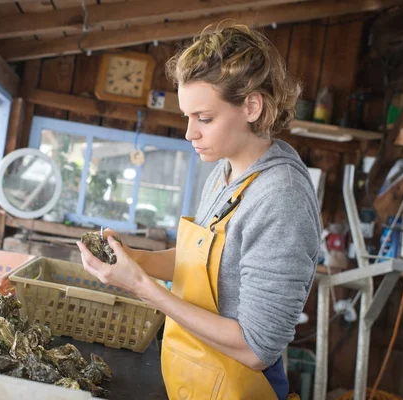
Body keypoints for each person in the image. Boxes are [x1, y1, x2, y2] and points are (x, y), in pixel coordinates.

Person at [76, 22, 321, 400]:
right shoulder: (226, 172)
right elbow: (199, 261)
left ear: (252, 106)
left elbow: (256, 349)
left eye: (204, 119)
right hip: (196, 375)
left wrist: (140, 285)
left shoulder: (281, 197)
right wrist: (130, 259)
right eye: (186, 117)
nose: (190, 133)